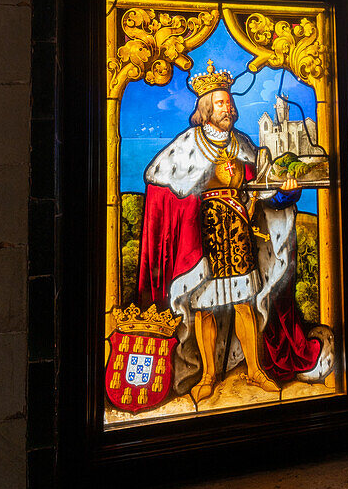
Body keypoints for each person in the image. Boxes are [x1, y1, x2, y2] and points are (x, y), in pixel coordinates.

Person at [137, 62, 323, 405]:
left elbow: (265, 191)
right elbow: (159, 183)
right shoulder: (186, 145)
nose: (229, 108)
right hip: (202, 242)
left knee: (245, 304)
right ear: (206, 107)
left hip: (238, 238)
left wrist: (288, 192)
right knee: (205, 309)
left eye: (230, 103)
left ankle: (255, 369)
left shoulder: (244, 144)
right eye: (221, 103)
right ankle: (208, 375)